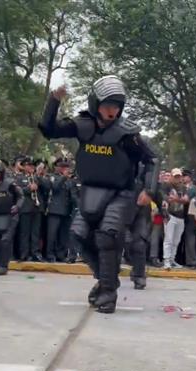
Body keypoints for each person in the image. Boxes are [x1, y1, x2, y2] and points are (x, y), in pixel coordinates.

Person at [38, 75, 159, 313]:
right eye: (107, 106)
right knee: (78, 234)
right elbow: (49, 130)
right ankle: (107, 280)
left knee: (107, 237)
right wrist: (53, 101)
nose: (111, 111)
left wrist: (149, 189)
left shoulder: (127, 134)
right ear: (96, 104)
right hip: (90, 191)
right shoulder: (83, 125)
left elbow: (152, 158)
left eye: (116, 106)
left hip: (120, 193)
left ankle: (108, 294)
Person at [43, 158, 73, 263]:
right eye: (64, 167)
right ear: (58, 168)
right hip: (54, 210)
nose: (66, 169)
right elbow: (55, 187)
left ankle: (61, 255)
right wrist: (64, 177)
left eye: (67, 167)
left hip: (66, 211)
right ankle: (50, 255)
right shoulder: (52, 177)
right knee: (52, 234)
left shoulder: (69, 180)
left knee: (63, 235)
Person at [15, 157, 44, 262]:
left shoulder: (37, 177)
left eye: (32, 165)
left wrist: (38, 175)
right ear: (24, 166)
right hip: (25, 208)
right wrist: (28, 189)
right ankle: (24, 254)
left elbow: (47, 186)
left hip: (37, 208)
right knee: (25, 233)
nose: (31, 167)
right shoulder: (19, 178)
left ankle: (35, 253)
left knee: (35, 232)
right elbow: (17, 191)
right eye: (28, 165)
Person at [162, 168, 190, 270]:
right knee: (168, 239)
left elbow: (186, 200)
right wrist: (180, 200)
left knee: (176, 240)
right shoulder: (166, 186)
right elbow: (167, 199)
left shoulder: (183, 187)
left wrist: (176, 199)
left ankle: (172, 259)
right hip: (170, 215)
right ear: (172, 177)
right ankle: (166, 261)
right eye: (175, 176)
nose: (177, 178)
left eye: (179, 176)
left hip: (181, 216)